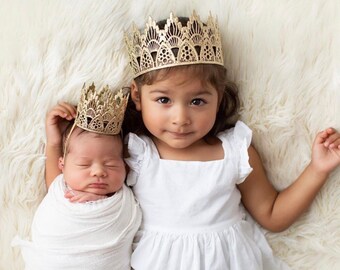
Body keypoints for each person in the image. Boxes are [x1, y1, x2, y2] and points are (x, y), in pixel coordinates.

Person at [121, 11, 340, 269]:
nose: (180, 118)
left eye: (197, 101)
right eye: (163, 100)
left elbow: (272, 214)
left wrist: (317, 170)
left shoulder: (235, 152)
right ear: (137, 96)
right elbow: (76, 193)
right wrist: (58, 144)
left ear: (219, 98)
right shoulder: (136, 153)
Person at [12, 83, 141, 270]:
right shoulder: (60, 188)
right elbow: (54, 152)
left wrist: (100, 201)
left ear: (126, 167)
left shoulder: (124, 200)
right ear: (62, 166)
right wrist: (54, 138)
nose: (98, 171)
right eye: (84, 164)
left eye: (111, 164)